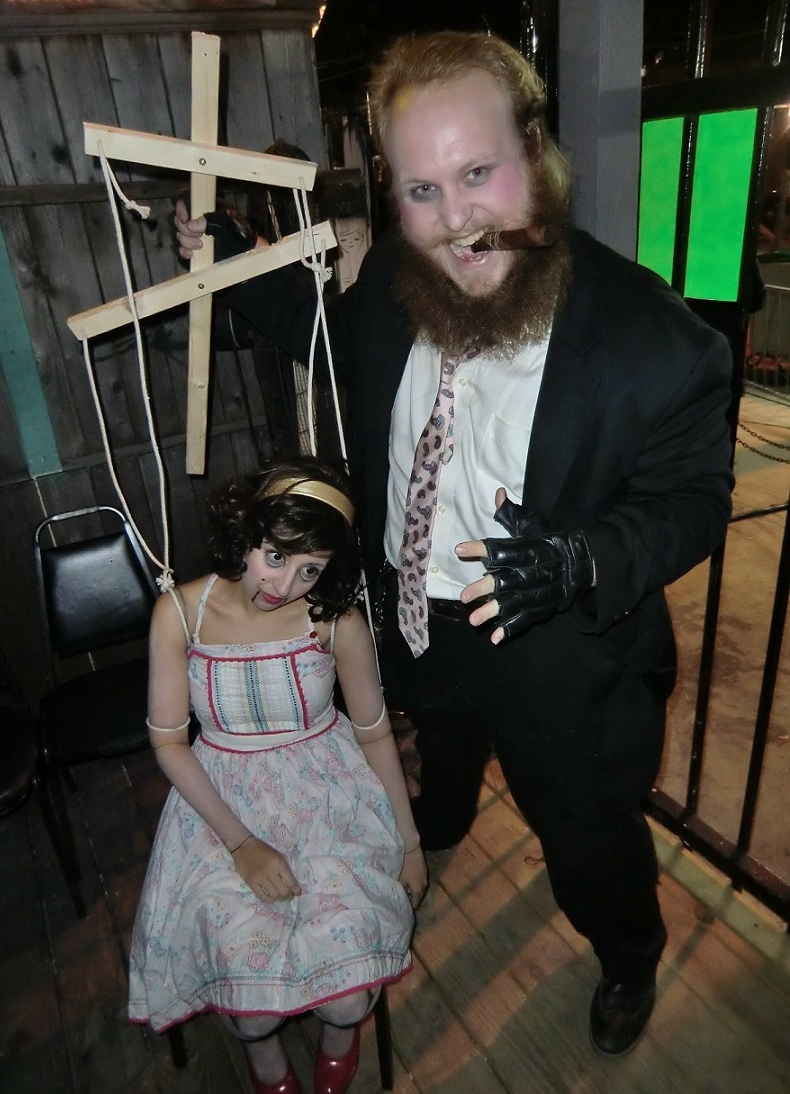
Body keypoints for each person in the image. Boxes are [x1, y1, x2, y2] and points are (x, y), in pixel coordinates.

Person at [174, 31, 734, 1056]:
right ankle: (442, 816)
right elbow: (329, 335)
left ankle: (626, 949)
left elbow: (692, 500)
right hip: (413, 615)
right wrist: (234, 259)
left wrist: (581, 559)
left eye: (479, 173)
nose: (455, 221)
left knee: (581, 831)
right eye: (421, 190)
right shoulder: (400, 272)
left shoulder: (653, 340)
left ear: (536, 152)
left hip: (555, 647)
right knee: (436, 748)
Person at [128, 456, 427, 1094]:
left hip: (331, 795)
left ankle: (339, 1046)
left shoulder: (334, 618)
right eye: (276, 555)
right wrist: (242, 845)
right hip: (220, 806)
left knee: (345, 998)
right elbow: (170, 744)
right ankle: (267, 1066)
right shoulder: (178, 613)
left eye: (310, 568)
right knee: (253, 1007)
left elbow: (375, 733)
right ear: (246, 532)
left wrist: (410, 844)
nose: (286, 584)